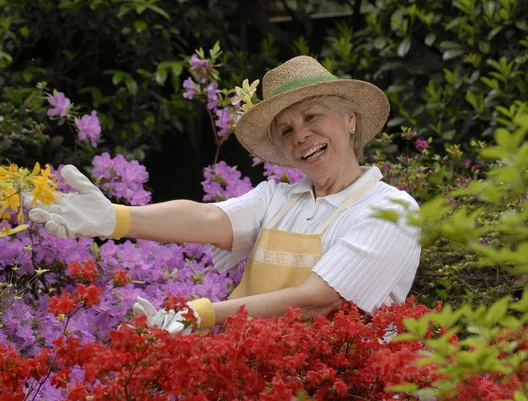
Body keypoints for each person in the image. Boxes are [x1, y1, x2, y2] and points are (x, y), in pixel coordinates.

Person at [26, 56, 421, 334]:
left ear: (350, 120)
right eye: (285, 130)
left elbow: (320, 300)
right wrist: (116, 219)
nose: (301, 135)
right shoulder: (278, 198)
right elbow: (208, 219)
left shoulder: (390, 210)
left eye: (312, 116)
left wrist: (201, 314)